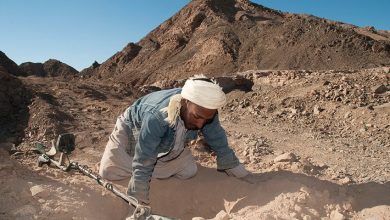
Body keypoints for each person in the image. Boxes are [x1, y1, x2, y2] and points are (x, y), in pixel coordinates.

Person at [98, 75, 250, 209]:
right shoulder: (157, 116)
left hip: (170, 135)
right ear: (185, 102)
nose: (200, 125)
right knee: (108, 171)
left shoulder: (205, 110)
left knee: (189, 171)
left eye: (207, 119)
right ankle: (142, 165)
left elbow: (217, 137)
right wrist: (138, 195)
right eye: (197, 117)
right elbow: (145, 155)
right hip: (132, 126)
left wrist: (234, 166)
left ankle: (152, 166)